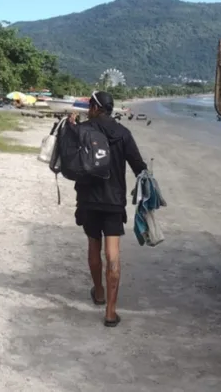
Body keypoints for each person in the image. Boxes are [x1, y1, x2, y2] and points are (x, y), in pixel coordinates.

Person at [68, 91, 147, 327]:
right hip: (113, 201)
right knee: (113, 254)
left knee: (94, 245)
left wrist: (71, 127)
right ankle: (111, 312)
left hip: (89, 199)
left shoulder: (83, 129)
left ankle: (99, 292)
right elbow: (139, 167)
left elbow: (69, 159)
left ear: (94, 107)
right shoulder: (123, 133)